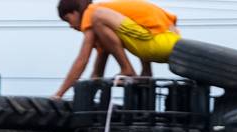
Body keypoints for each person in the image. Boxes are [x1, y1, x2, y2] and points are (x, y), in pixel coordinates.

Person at [52, 0, 181, 98]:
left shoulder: (92, 12)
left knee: (97, 16)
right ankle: (146, 73)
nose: (70, 26)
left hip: (157, 43)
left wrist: (59, 94)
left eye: (68, 20)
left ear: (75, 12)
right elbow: (97, 72)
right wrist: (87, 99)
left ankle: (127, 69)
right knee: (140, 24)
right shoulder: (106, 29)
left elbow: (82, 60)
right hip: (171, 43)